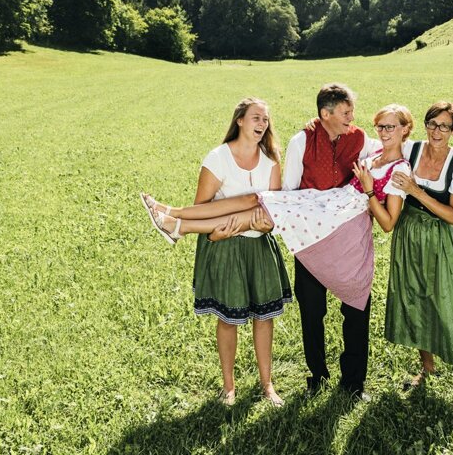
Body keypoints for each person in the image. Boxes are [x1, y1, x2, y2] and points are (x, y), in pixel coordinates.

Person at [145, 92, 414, 401]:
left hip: (331, 217)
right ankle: (174, 216)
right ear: (326, 114)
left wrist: (370, 189)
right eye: (380, 126)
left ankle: (180, 225)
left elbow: (390, 220)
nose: (381, 132)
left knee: (261, 210)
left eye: (391, 127)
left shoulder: (393, 165)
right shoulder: (365, 150)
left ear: (405, 129)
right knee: (256, 202)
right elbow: (387, 148)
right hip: (321, 206)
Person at [141, 98, 291, 407]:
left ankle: (267, 384)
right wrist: (216, 232)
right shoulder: (218, 158)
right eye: (255, 118)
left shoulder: (272, 159)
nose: (262, 123)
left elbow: (273, 211)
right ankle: (229, 388)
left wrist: (265, 226)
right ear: (239, 120)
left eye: (265, 119)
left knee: (264, 319)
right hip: (226, 246)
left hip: (260, 246)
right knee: (229, 320)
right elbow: (202, 209)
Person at [386, 101, 453, 417]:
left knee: (449, 308)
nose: (437, 131)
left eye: (445, 126)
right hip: (408, 236)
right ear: (424, 124)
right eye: (432, 123)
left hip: (438, 241)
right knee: (415, 300)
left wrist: (416, 190)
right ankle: (427, 367)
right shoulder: (410, 150)